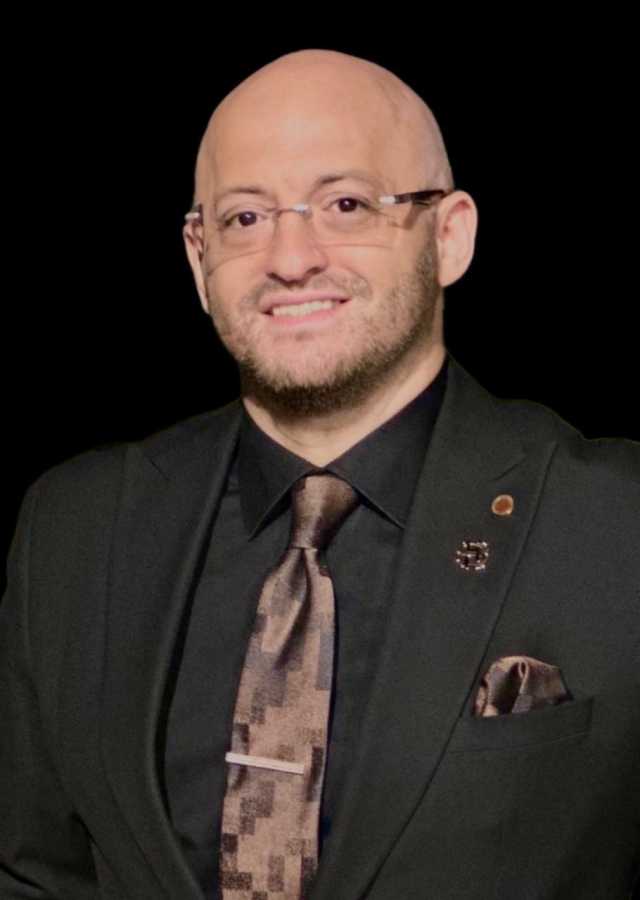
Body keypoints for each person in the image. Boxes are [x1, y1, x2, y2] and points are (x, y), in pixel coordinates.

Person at [0, 48, 638, 900]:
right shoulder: (74, 528)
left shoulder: (618, 523)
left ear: (449, 236)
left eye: (345, 204)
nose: (292, 257)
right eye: (245, 218)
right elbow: (35, 874)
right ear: (197, 257)